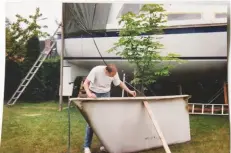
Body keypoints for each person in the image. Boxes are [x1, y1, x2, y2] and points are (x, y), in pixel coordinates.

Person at [83, 64, 136, 153]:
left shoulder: (114, 73)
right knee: (91, 122)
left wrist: (129, 91)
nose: (113, 77)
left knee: (105, 122)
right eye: (111, 75)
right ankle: (86, 146)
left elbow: (119, 82)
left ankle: (103, 145)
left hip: (106, 94)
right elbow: (85, 83)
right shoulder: (96, 70)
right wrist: (89, 94)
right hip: (93, 93)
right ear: (106, 72)